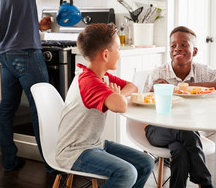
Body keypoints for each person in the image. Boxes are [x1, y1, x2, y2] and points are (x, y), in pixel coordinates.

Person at [0, 0, 74, 171]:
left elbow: (9, 20)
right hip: (25, 53)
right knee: (42, 108)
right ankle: (52, 164)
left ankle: (9, 160)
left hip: (5, 54)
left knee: (7, 108)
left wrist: (36, 25)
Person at [55, 23, 154, 188]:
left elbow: (132, 86)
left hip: (94, 144)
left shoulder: (101, 76)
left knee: (145, 162)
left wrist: (117, 95)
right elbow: (120, 106)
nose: (120, 54)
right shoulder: (89, 82)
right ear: (106, 55)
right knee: (127, 173)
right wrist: (116, 96)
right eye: (119, 49)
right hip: (74, 152)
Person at [143, 26, 216, 188]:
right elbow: (142, 108)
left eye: (184, 45)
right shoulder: (157, 75)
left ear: (194, 51)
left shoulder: (202, 71)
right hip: (157, 129)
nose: (177, 49)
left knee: (179, 150)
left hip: (186, 133)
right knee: (186, 131)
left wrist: (189, 86)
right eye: (173, 46)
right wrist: (154, 93)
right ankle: (204, 180)